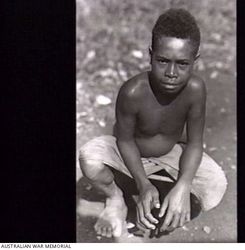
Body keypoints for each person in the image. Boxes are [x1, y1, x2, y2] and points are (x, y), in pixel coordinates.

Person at [78, 8, 227, 239]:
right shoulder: (133, 91)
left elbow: (195, 143)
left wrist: (184, 185)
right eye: (163, 60)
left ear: (194, 61)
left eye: (182, 64)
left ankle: (169, 203)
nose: (171, 72)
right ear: (151, 55)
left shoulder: (196, 90)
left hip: (170, 155)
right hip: (130, 154)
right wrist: (143, 184)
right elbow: (125, 140)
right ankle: (116, 197)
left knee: (216, 185)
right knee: (89, 158)